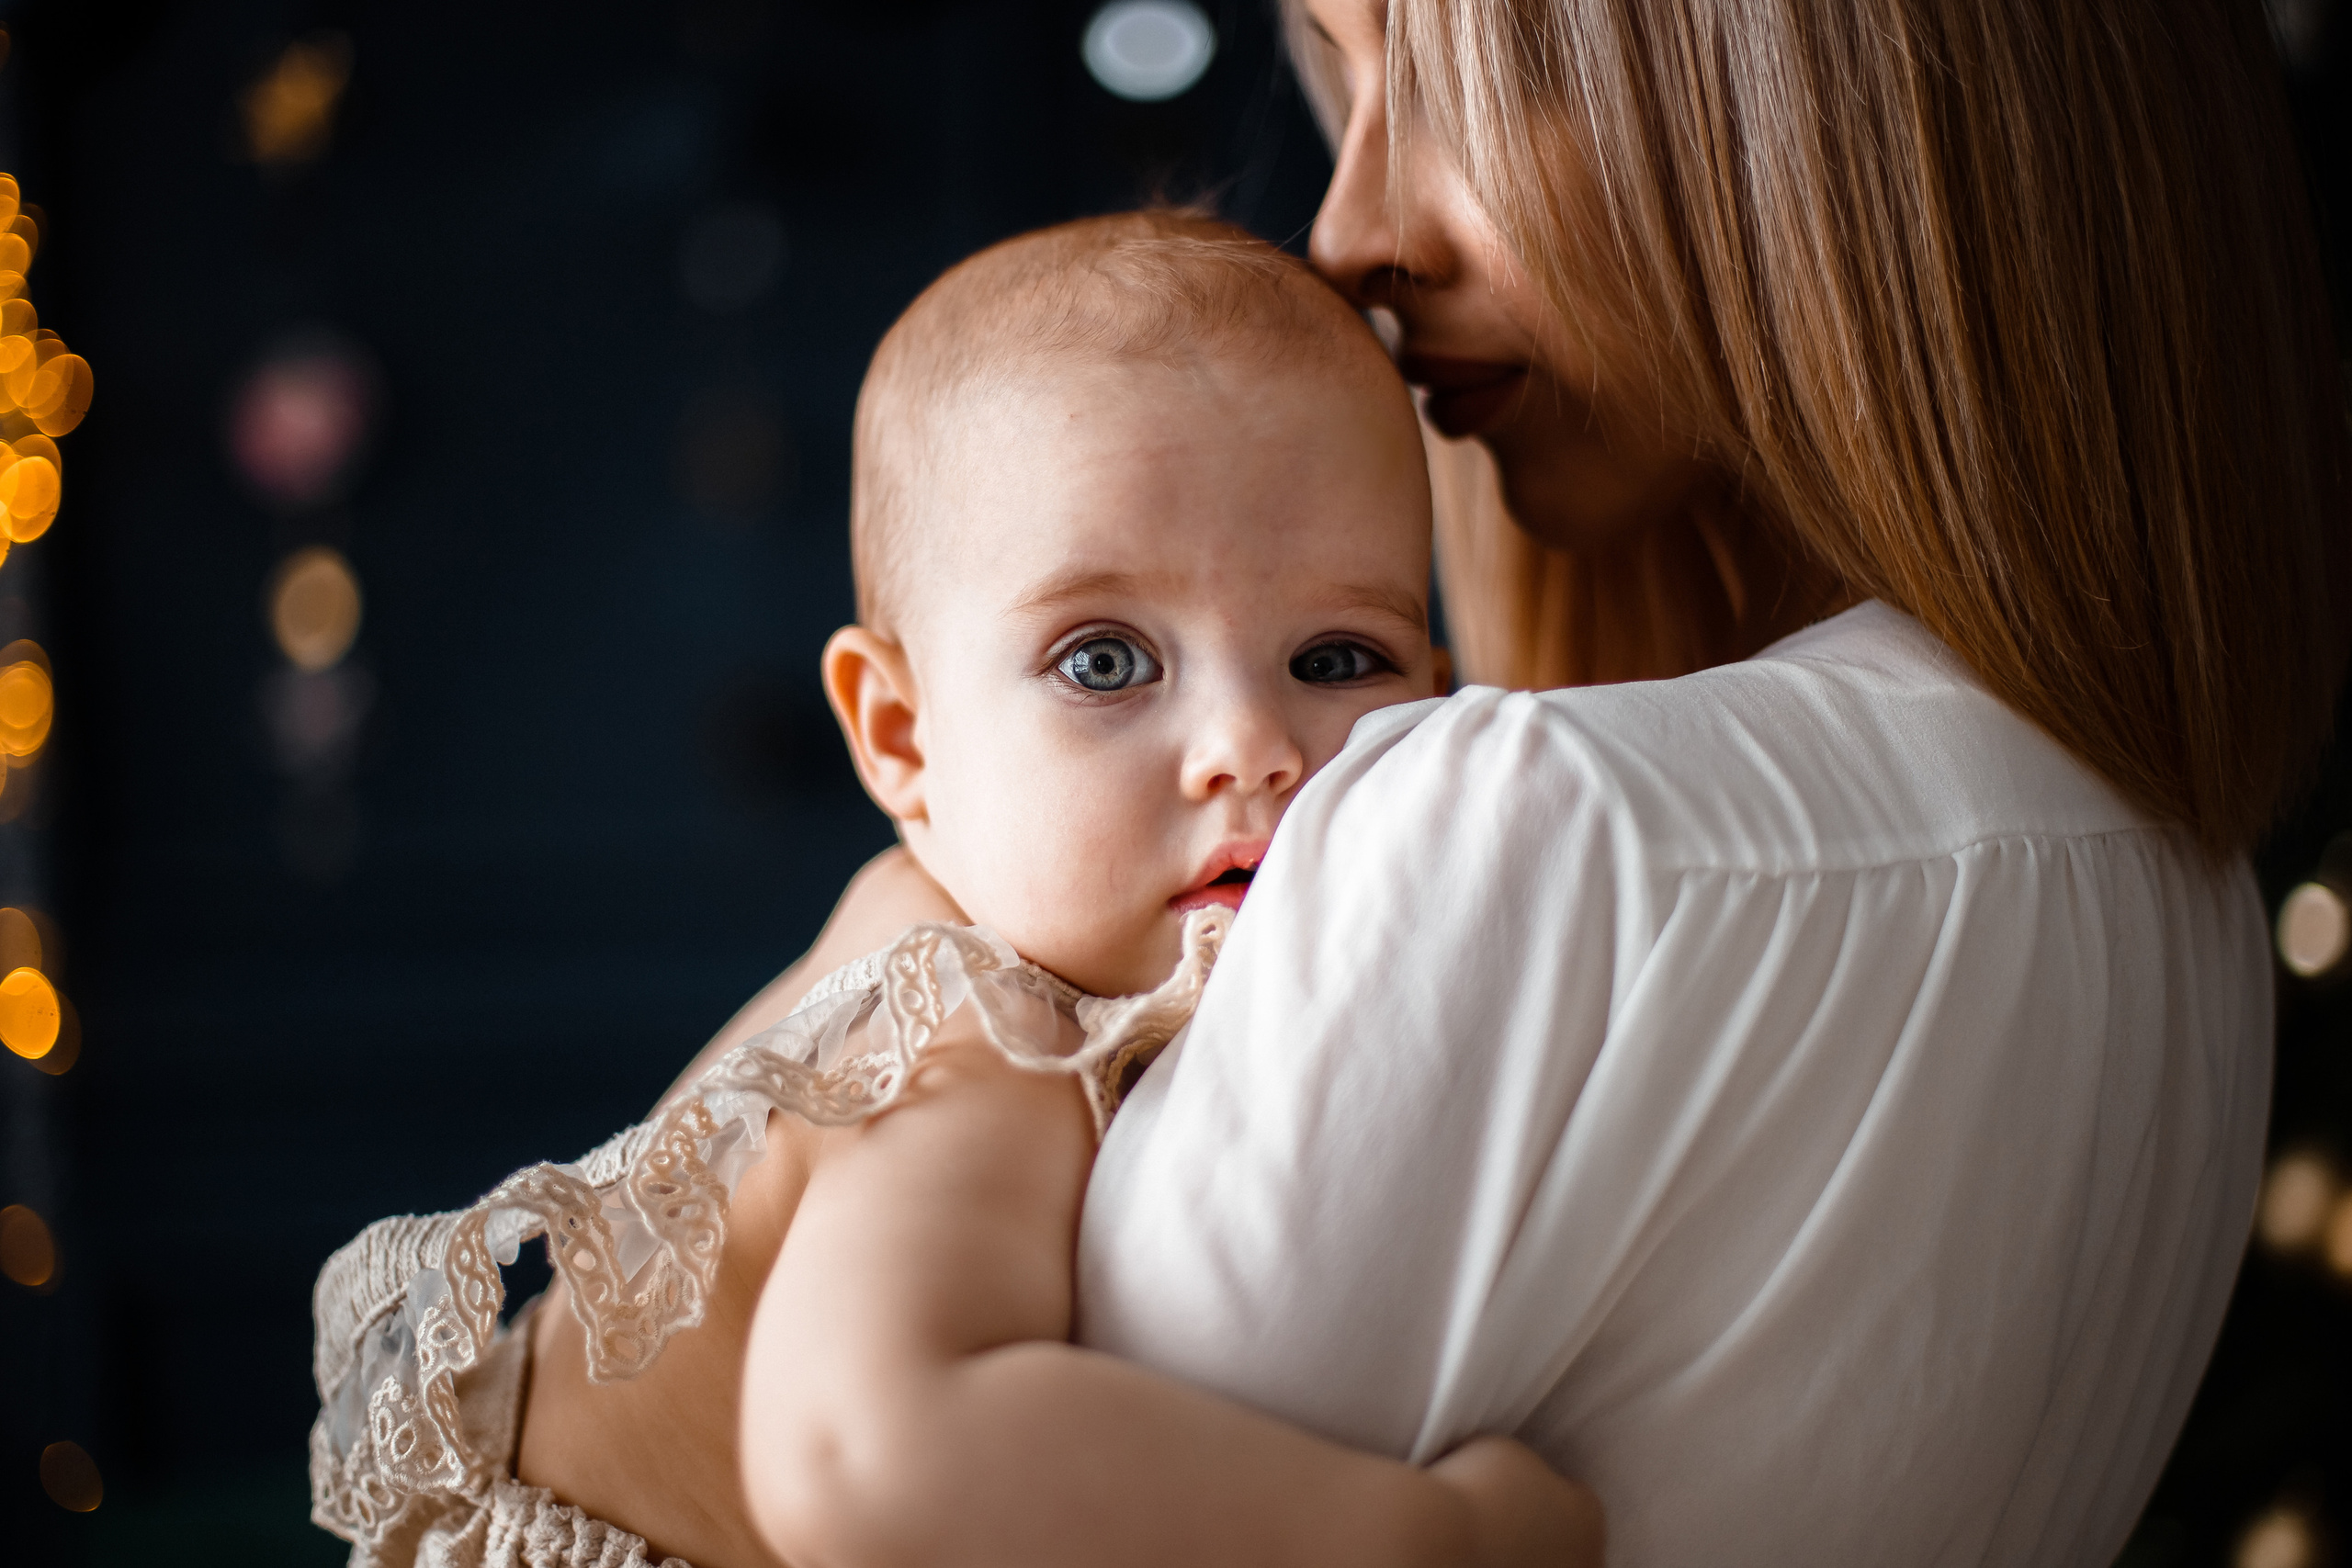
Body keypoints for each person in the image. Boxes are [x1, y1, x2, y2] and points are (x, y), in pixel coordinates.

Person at [785, 0, 2349, 1562]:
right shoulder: (2177, 893)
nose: (1348, 235)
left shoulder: (1540, 828)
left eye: (1470, 85)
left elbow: (862, 1471)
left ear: (1817, 85)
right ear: (897, 732)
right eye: (1106, 662)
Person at [309, 210, 1599, 1568]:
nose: (1250, 748)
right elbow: (868, 1462)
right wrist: (1433, 1533)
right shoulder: (967, 1020)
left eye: (1339, 659)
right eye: (1106, 663)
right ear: (903, 738)